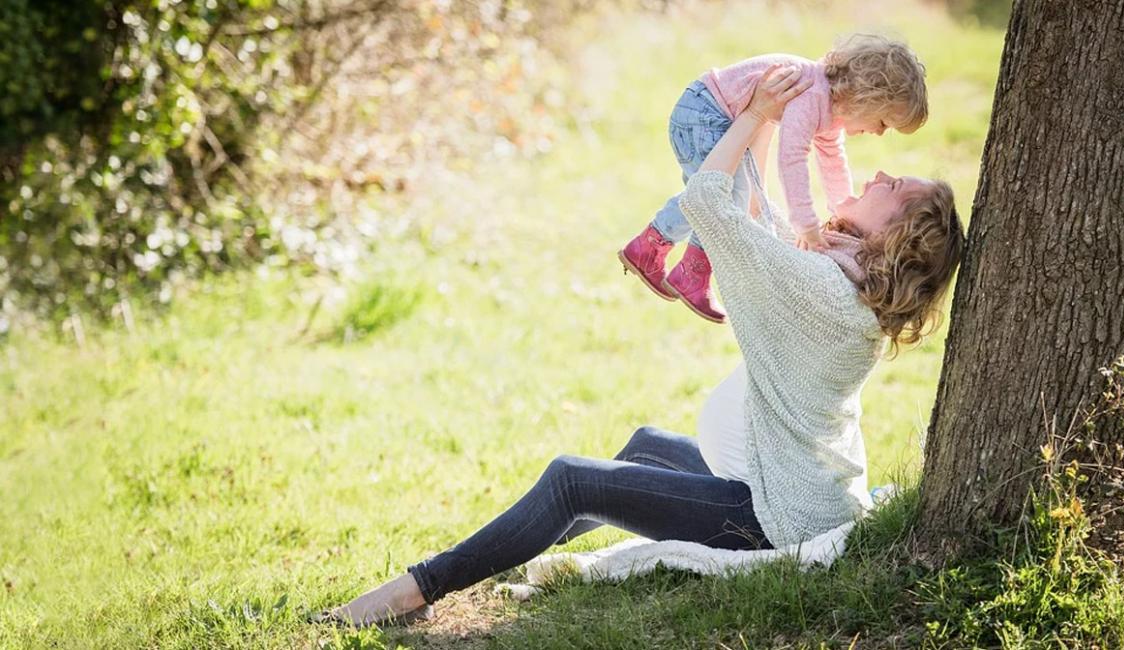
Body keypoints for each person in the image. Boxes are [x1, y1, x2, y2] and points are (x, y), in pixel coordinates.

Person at [312, 66, 964, 629]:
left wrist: (759, 114)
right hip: (793, 489)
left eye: (897, 187)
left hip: (774, 517)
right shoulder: (845, 285)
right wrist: (765, 124)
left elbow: (710, 202)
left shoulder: (823, 290)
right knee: (644, 446)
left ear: (898, 235)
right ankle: (491, 559)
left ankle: (413, 590)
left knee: (573, 479)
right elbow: (761, 220)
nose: (880, 172)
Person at [618, 34, 928, 323]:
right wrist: (805, 224)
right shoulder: (813, 95)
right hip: (703, 113)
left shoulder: (830, 111)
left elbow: (833, 162)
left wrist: (842, 210)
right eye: (883, 122)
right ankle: (682, 266)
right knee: (721, 194)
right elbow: (791, 158)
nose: (878, 132)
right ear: (867, 97)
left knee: (722, 193)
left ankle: (661, 254)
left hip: (714, 116)